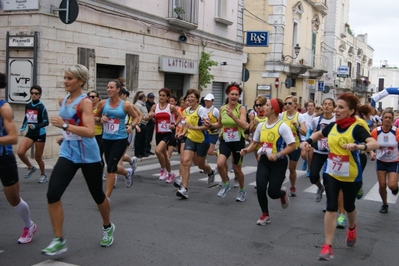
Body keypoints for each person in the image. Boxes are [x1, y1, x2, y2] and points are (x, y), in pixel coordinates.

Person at [43, 64, 114, 255]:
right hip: (69, 153)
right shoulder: (64, 99)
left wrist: (65, 126)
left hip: (89, 156)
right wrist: (65, 136)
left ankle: (108, 226)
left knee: (97, 195)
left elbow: (90, 131)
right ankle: (59, 239)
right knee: (53, 194)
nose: (65, 81)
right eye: (65, 78)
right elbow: (74, 126)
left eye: (69, 78)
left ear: (81, 81)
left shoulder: (85, 102)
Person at [302, 92, 378, 260]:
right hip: (332, 173)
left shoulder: (356, 128)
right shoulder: (333, 126)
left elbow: (373, 143)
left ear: (351, 111)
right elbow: (318, 134)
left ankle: (352, 228)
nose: (336, 110)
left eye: (340, 107)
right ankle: (327, 246)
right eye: (336, 106)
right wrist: (308, 141)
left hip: (351, 175)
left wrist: (359, 147)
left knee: (349, 206)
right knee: (331, 206)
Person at [240, 98, 295, 225]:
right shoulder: (261, 125)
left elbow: (292, 145)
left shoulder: (282, 126)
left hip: (279, 162)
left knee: (273, 192)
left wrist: (278, 154)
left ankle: (282, 193)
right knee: (260, 188)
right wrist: (246, 150)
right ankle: (265, 214)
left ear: (274, 109)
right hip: (264, 160)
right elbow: (255, 143)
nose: (263, 108)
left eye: (267, 105)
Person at [0, 72, 37, 245]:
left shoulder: (4, 108)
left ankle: (29, 225)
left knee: (13, 199)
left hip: (4, 158)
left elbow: (13, 138)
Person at [94, 79, 140, 198]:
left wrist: (132, 126)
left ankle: (106, 198)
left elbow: (136, 117)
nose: (108, 89)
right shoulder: (103, 103)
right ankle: (127, 173)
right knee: (112, 166)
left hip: (120, 138)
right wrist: (100, 120)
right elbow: (94, 118)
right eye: (107, 87)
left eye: (111, 87)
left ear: (118, 90)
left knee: (110, 168)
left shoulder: (125, 105)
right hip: (106, 138)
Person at [207, 83, 249, 202]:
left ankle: (242, 190)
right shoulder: (222, 108)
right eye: (232, 94)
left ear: (239, 96)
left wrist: (233, 116)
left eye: (236, 94)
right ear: (228, 95)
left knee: (237, 169)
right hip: (225, 140)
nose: (234, 96)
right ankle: (225, 184)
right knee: (220, 164)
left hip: (238, 141)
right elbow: (220, 124)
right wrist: (210, 125)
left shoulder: (241, 109)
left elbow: (244, 125)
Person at [175, 89, 214, 199]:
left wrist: (196, 127)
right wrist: (180, 133)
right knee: (186, 161)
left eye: (192, 97)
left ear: (197, 99)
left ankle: (210, 171)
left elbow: (207, 126)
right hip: (190, 138)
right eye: (188, 97)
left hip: (202, 140)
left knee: (199, 164)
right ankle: (184, 189)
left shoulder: (201, 110)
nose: (190, 99)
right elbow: (184, 124)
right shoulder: (186, 111)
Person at [148, 88, 181, 184]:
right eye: (160, 95)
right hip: (158, 133)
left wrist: (174, 124)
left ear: (167, 97)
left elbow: (179, 116)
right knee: (165, 156)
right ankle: (171, 173)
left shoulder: (170, 107)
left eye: (163, 96)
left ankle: (163, 170)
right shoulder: (155, 107)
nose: (161, 97)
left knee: (157, 151)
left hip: (167, 133)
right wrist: (151, 117)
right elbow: (150, 115)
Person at [17, 85, 49, 183]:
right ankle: (31, 167)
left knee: (38, 157)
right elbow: (26, 117)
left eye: (36, 93)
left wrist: (36, 126)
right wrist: (23, 127)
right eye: (32, 93)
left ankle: (43, 175)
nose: (34, 95)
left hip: (40, 134)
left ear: (40, 95)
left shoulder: (42, 107)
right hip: (30, 133)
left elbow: (46, 122)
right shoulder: (28, 105)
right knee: (20, 152)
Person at [370, 109, 399, 213]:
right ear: (382, 118)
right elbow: (370, 144)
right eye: (385, 117)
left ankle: (395, 187)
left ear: (392, 120)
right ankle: (385, 204)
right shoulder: (376, 131)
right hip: (381, 161)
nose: (387, 120)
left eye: (390, 118)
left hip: (394, 161)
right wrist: (372, 152)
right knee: (382, 185)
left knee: (391, 185)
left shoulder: (396, 131)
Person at [307, 98, 336, 203]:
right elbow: (311, 132)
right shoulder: (317, 120)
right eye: (325, 104)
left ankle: (329, 202)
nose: (327, 106)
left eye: (329, 104)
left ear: (333, 107)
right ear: (322, 106)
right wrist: (308, 143)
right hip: (318, 152)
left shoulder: (336, 121)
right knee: (313, 176)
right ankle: (320, 187)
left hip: (331, 154)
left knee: (328, 178)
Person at [282, 95, 307, 197]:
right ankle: (279, 183)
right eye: (286, 103)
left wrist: (297, 127)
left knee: (292, 168)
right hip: (283, 145)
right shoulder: (281, 115)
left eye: (290, 103)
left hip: (295, 146)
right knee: (281, 167)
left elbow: (305, 132)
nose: (287, 105)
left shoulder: (299, 116)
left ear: (295, 105)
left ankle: (292, 186)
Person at [88, 90, 105, 180]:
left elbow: (103, 121)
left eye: (93, 97)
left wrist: (96, 119)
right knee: (90, 155)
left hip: (99, 134)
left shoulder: (100, 108)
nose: (91, 98)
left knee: (98, 155)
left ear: (98, 98)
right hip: (89, 134)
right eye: (89, 97)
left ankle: (101, 173)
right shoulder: (87, 108)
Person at [248, 96, 268, 161]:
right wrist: (253, 123)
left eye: (260, 105)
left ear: (265, 105)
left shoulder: (268, 115)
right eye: (257, 105)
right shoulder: (253, 115)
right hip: (256, 142)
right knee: (258, 161)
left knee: (264, 160)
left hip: (266, 141)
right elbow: (250, 130)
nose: (258, 107)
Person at [135, 92, 154, 158]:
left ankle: (143, 152)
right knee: (139, 139)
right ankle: (138, 153)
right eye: (145, 97)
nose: (145, 98)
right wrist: (146, 117)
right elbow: (138, 114)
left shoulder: (143, 104)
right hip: (140, 123)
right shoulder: (138, 105)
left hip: (145, 122)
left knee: (144, 139)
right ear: (142, 98)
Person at [203, 93, 220, 157]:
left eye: (208, 101)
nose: (206, 102)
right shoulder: (203, 109)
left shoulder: (215, 111)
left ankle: (218, 153)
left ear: (212, 101)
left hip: (213, 133)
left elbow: (220, 122)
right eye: (205, 101)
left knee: (209, 152)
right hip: (204, 133)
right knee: (203, 150)